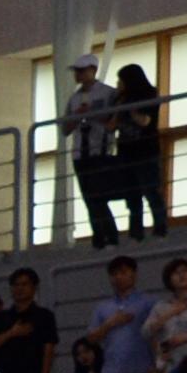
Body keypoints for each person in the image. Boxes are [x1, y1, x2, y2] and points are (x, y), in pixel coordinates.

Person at [64, 52, 124, 246]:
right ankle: (99, 235)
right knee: (89, 197)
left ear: (92, 70)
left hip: (101, 150)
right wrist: (76, 116)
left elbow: (113, 121)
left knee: (99, 195)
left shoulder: (108, 93)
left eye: (81, 71)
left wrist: (91, 113)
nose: (78, 75)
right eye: (76, 71)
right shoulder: (73, 98)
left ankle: (109, 235)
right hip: (80, 153)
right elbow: (65, 129)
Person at [110, 64, 166, 241]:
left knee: (151, 191)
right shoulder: (119, 99)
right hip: (126, 150)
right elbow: (111, 126)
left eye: (121, 80)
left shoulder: (148, 95)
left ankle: (160, 229)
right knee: (131, 194)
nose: (118, 84)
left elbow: (145, 121)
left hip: (146, 150)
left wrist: (130, 108)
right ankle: (136, 233)